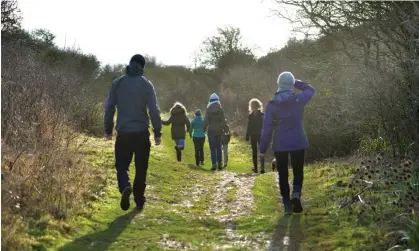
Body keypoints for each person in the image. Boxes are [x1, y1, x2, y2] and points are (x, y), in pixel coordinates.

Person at [104, 54, 162, 212]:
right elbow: (154, 110)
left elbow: (109, 108)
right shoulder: (146, 84)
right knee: (141, 167)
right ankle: (139, 199)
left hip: (123, 132)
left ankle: (125, 186)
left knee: (122, 166)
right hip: (142, 133)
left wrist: (108, 129)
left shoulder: (118, 83)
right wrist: (157, 131)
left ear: (129, 64)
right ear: (142, 67)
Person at [259, 71, 315, 215]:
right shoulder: (299, 100)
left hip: (280, 143)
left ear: (279, 84)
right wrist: (295, 82)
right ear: (291, 85)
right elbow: (310, 89)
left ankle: (286, 205)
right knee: (298, 171)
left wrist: (263, 148)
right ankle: (296, 194)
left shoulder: (271, 105)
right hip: (298, 141)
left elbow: (267, 128)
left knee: (282, 174)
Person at [203, 93, 227, 171]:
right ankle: (220, 164)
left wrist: (204, 129)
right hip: (219, 131)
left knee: (212, 148)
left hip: (211, 132)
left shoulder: (208, 109)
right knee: (219, 148)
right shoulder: (221, 109)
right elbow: (223, 121)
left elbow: (206, 121)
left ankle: (214, 164)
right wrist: (226, 129)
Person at [245, 98, 265, 174]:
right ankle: (261, 168)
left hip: (254, 135)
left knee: (255, 151)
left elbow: (249, 126)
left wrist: (247, 134)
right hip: (260, 134)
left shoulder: (251, 115)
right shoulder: (262, 115)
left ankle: (256, 168)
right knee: (261, 151)